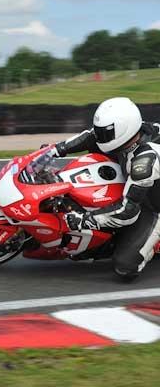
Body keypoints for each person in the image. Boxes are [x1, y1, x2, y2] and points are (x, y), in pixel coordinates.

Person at [50, 97, 160, 280]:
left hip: (152, 205)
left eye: (105, 133)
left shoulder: (144, 162)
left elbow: (128, 211)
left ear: (124, 129)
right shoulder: (131, 132)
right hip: (134, 186)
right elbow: (90, 136)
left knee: (125, 266)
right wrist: (55, 150)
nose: (100, 135)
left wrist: (85, 219)